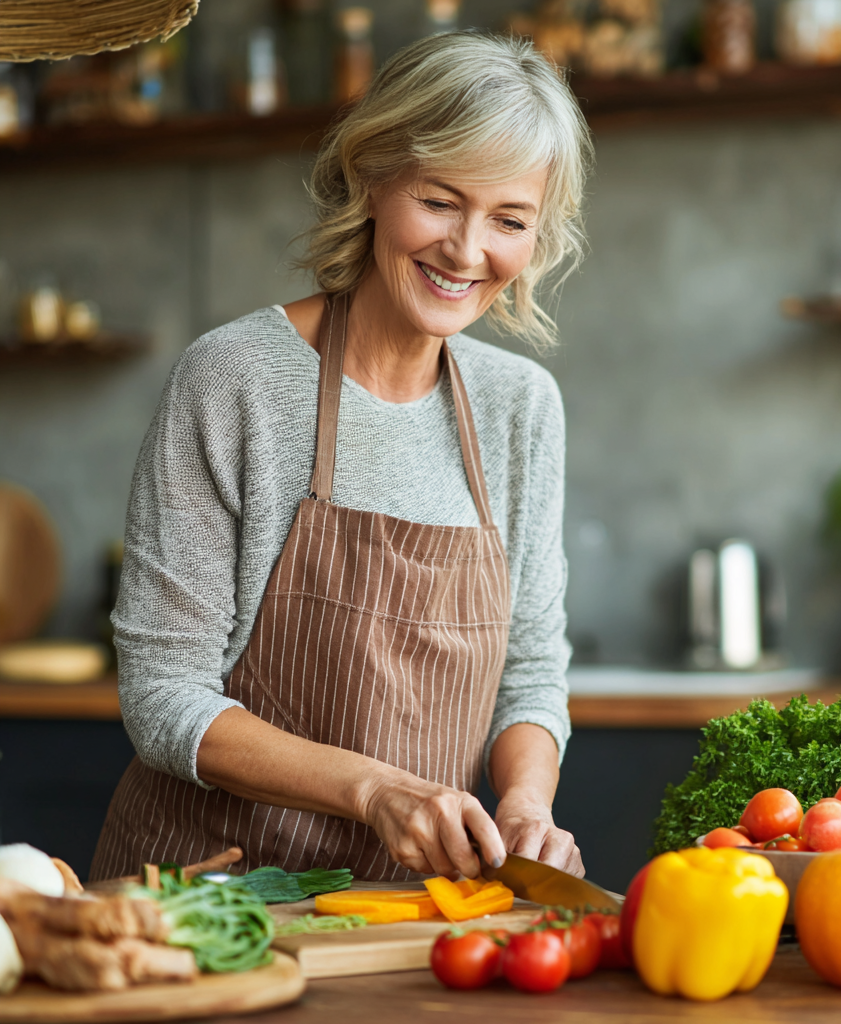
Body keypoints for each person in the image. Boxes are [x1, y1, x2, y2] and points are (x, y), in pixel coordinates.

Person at [90, 31, 593, 883]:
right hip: (211, 900)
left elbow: (532, 670)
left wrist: (526, 808)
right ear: (371, 179)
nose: (468, 251)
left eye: (509, 220)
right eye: (439, 202)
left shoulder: (521, 409)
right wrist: (376, 790)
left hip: (410, 918)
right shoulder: (237, 378)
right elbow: (163, 693)